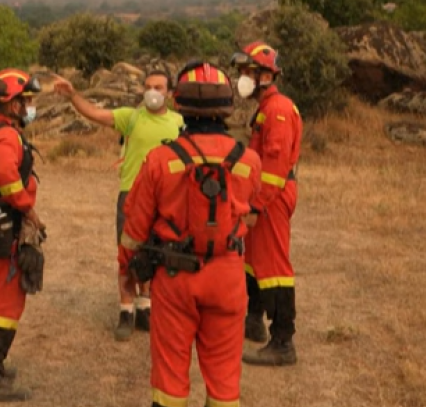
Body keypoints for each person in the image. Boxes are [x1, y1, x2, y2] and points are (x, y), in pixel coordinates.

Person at [118, 61, 261, 407]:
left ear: (179, 103)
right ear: (226, 107)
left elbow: (134, 229)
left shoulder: (159, 160)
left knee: (170, 381)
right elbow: (253, 218)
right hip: (227, 278)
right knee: (225, 383)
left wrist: (128, 273)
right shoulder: (250, 161)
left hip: (173, 279)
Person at [53, 69, 183, 341]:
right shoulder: (130, 117)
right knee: (127, 255)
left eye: (158, 87)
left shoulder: (180, 123)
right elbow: (93, 114)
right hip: (132, 196)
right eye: (148, 86)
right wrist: (72, 95)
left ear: (169, 92)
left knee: (155, 254)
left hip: (166, 199)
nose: (152, 92)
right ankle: (126, 312)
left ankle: (145, 307)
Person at [0, 68, 45, 401]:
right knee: (5, 301)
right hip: (7, 227)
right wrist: (27, 207)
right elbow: (5, 175)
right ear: (12, 104)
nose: (30, 106)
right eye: (25, 100)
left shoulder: (2, 132)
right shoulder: (5, 138)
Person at [231, 41, 302, 366]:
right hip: (264, 196)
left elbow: (274, 166)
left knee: (274, 267)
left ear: (265, 75)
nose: (242, 78)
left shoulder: (278, 110)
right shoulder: (266, 107)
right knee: (253, 260)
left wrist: (257, 206)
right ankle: (254, 319)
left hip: (272, 198)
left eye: (248, 72)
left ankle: (283, 342)